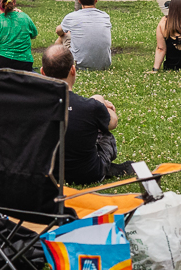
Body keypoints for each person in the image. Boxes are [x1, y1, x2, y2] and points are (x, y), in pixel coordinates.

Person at [41, 44, 134, 185]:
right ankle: (105, 166)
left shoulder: (33, 106)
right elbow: (113, 123)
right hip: (89, 174)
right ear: (73, 70)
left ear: (42, 72)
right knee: (104, 132)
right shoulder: (90, 107)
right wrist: (101, 102)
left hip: (48, 172)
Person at [56, 0, 113, 71]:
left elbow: (58, 31)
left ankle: (52, 62)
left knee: (63, 36)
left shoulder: (71, 17)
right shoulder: (105, 16)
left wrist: (64, 33)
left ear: (79, 0)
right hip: (104, 65)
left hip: (80, 65)